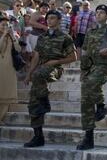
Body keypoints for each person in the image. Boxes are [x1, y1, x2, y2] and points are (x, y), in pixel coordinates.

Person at [23, 10, 77, 147]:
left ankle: (44, 100)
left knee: (39, 75)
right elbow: (36, 56)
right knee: (33, 103)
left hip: (55, 68)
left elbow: (74, 57)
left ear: (59, 20)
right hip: (41, 69)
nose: (49, 20)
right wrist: (29, 74)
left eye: (52, 18)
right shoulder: (42, 37)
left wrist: (56, 62)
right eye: (48, 18)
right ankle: (38, 136)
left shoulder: (65, 37)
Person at [76, 5, 107, 150]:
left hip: (104, 66)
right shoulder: (91, 31)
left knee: (89, 85)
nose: (98, 15)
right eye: (96, 12)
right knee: (86, 99)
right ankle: (88, 136)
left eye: (102, 13)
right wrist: (83, 69)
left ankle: (101, 105)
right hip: (90, 66)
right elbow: (84, 51)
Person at [0, 14, 21, 121]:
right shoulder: (2, 35)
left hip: (9, 68)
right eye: (3, 25)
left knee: (7, 96)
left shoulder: (12, 36)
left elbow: (18, 49)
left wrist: (13, 36)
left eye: (6, 25)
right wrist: (3, 35)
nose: (5, 27)